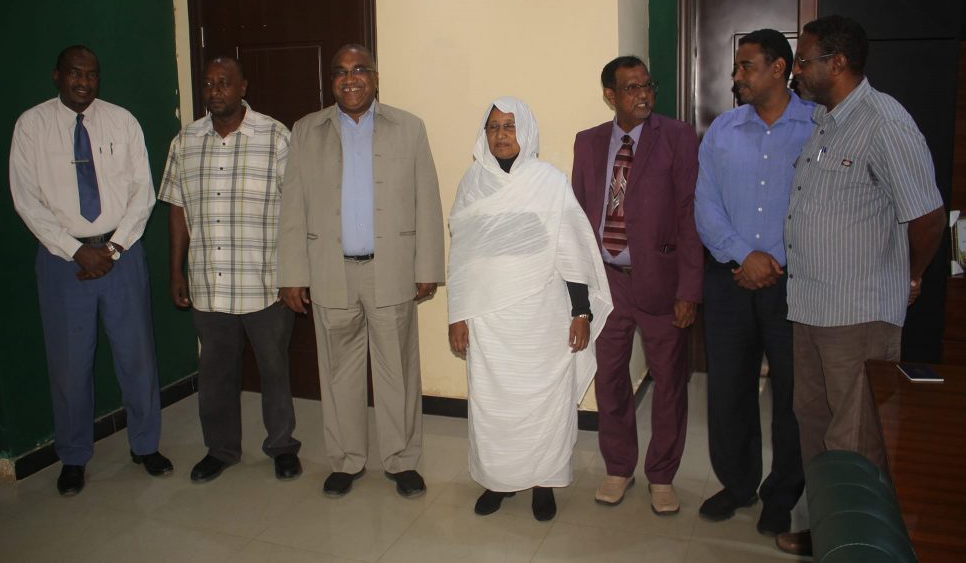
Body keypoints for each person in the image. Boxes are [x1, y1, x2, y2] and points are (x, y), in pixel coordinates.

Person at [776, 15, 946, 556]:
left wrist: (910, 275)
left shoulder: (884, 121)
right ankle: (827, 530)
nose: (796, 71)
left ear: (839, 63)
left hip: (858, 314)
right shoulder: (826, 121)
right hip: (810, 306)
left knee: (854, 438)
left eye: (804, 61)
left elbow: (928, 217)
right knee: (814, 423)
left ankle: (859, 545)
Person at [278, 43, 445, 499]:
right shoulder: (306, 131)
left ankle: (401, 460)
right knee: (338, 374)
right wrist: (292, 273)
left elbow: (427, 199)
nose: (350, 79)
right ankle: (346, 460)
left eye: (359, 70)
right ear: (331, 81)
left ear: (375, 77)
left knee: (398, 373)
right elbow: (292, 207)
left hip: (391, 270)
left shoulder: (409, 127)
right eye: (340, 72)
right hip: (330, 271)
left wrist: (427, 265)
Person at [9, 45, 170, 496]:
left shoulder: (122, 121)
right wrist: (75, 250)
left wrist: (113, 247)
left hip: (122, 254)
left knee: (137, 358)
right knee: (69, 365)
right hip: (63, 262)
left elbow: (143, 192)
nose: (84, 82)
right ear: (57, 76)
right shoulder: (31, 126)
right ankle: (74, 456)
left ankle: (145, 445)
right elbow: (26, 200)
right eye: (75, 73)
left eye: (92, 74)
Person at [447, 97, 613, 521]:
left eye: (510, 126)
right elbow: (461, 257)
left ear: (526, 131)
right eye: (493, 127)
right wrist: (457, 314)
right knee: (493, 404)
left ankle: (544, 482)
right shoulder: (472, 184)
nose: (501, 135)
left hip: (542, 317)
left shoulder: (549, 182)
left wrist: (582, 313)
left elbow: (571, 253)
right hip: (488, 317)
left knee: (546, 403)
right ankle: (497, 480)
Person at [159, 57, 302, 484]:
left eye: (224, 83)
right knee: (215, 375)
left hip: (265, 283)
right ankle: (220, 449)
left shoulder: (276, 137)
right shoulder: (184, 142)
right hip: (209, 283)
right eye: (208, 83)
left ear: (243, 87)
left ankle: (282, 446)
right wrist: (176, 270)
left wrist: (294, 274)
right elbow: (177, 210)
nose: (215, 90)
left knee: (274, 371)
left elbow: (297, 211)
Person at [694, 29, 813, 536]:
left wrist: (773, 260)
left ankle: (781, 495)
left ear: (779, 68)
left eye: (746, 66)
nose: (736, 76)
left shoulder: (817, 126)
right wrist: (746, 256)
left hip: (794, 282)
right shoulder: (722, 130)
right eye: (736, 66)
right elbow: (705, 205)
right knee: (728, 391)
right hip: (730, 280)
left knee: (792, 396)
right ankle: (738, 484)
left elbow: (823, 208)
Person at [572, 56, 702, 515]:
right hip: (607, 283)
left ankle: (662, 475)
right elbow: (578, 218)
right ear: (610, 95)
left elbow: (689, 214)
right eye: (631, 88)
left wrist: (689, 290)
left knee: (669, 383)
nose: (643, 94)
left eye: (647, 85)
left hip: (661, 283)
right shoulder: (588, 142)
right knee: (610, 379)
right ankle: (618, 467)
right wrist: (578, 291)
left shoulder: (677, 137)